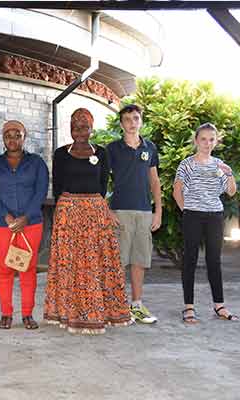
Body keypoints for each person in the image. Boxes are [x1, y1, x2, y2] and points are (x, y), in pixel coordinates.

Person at [44, 108, 131, 335]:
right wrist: (64, 212)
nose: (79, 131)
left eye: (84, 126)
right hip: (68, 213)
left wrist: (92, 205)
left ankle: (98, 312)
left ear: (92, 129)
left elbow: (103, 186)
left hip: (95, 213)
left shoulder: (101, 153)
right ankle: (66, 312)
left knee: (96, 263)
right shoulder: (61, 153)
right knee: (69, 263)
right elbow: (58, 185)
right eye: (75, 126)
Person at [0, 120, 48, 330]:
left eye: (17, 134)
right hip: (4, 226)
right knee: (5, 269)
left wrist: (26, 218)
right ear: (3, 138)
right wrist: (7, 217)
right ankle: (6, 314)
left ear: (24, 136)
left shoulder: (37, 163)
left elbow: (40, 191)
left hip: (31, 225)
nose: (13, 139)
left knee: (28, 268)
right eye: (8, 135)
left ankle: (28, 314)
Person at [173, 123, 238, 324]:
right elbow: (177, 191)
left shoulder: (220, 166)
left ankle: (219, 305)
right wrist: (187, 211)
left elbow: (231, 191)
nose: (207, 143)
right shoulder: (187, 164)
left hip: (214, 216)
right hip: (193, 215)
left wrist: (229, 174)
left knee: (214, 261)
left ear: (215, 141)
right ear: (196, 141)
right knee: (190, 259)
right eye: (203, 139)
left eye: (211, 139)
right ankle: (189, 307)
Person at [106, 104, 162, 324]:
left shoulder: (150, 148)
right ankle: (117, 307)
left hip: (144, 212)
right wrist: (107, 210)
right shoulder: (111, 149)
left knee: (139, 260)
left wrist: (158, 211)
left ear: (141, 122)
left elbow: (155, 181)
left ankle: (137, 306)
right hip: (120, 210)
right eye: (127, 119)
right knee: (119, 261)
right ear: (121, 124)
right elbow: (100, 180)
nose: (132, 123)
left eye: (136, 118)